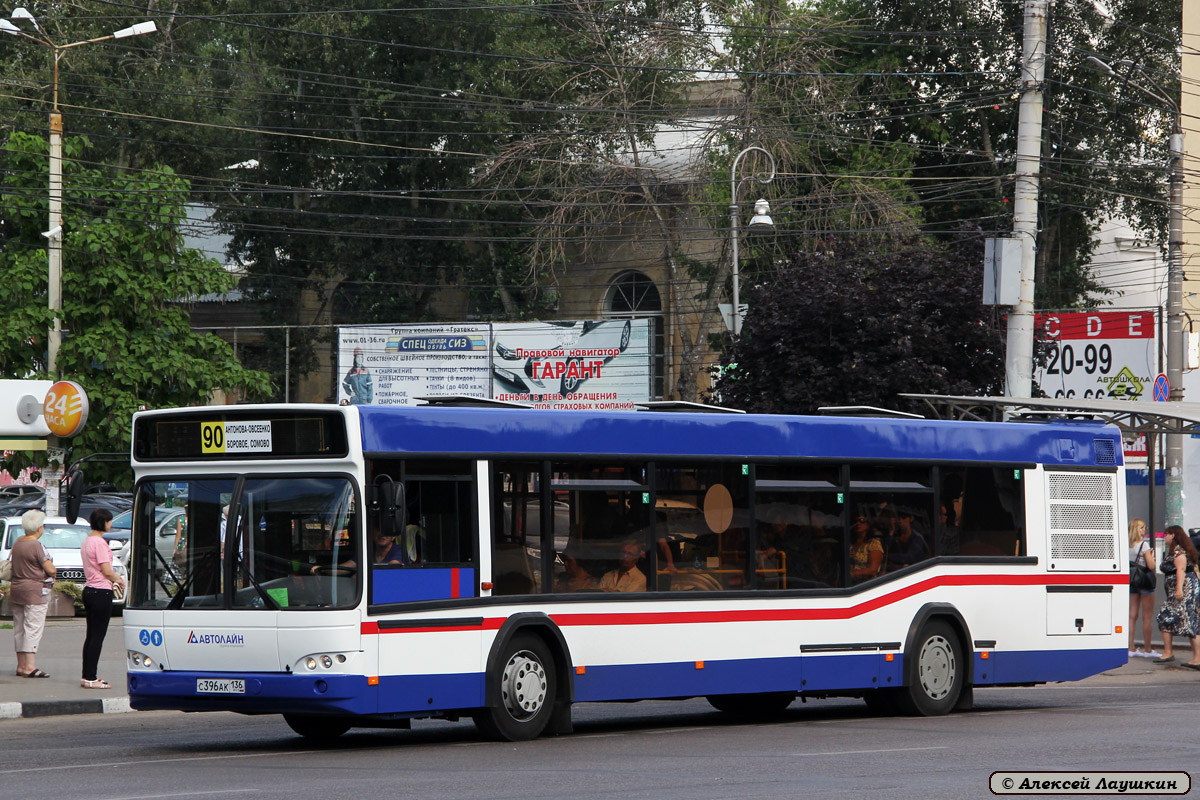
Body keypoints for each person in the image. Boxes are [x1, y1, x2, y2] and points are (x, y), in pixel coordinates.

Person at [80, 508, 126, 689]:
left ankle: (87, 675)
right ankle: (91, 677)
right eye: (109, 521)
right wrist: (118, 579)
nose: (111, 524)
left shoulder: (87, 541)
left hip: (90, 589)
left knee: (91, 635)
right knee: (97, 636)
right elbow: (106, 570)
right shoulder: (99, 543)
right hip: (101, 591)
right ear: (103, 522)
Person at [10, 509, 56, 678]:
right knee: (33, 628)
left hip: (17, 589)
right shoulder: (36, 546)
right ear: (38, 528)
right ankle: (30, 666)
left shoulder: (18, 543)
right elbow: (49, 568)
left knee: (19, 628)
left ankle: (21, 665)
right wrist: (54, 571)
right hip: (35, 591)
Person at [1154, 525, 1200, 668]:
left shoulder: (1179, 552)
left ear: (1173, 535)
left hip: (1183, 591)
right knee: (1170, 619)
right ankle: (1169, 653)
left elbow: (1180, 570)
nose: (1164, 537)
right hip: (1179, 591)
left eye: (1166, 534)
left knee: (1187, 621)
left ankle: (1196, 658)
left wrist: (1179, 590)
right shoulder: (1174, 551)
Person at [1127, 518, 1160, 658]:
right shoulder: (1144, 545)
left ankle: (1131, 647)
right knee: (1147, 617)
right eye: (1143, 528)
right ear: (1139, 529)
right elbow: (1151, 565)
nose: (1144, 530)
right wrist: (1153, 559)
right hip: (1145, 582)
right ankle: (1147, 649)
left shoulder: (1127, 545)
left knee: (1132, 616)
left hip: (1132, 580)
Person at [849, 515, 883, 582]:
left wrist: (853, 574)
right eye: (856, 521)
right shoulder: (851, 544)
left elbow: (872, 570)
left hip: (866, 585)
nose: (858, 523)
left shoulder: (873, 543)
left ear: (868, 524)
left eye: (862, 521)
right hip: (850, 582)